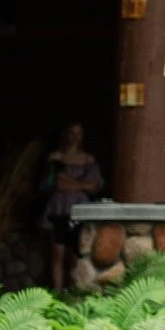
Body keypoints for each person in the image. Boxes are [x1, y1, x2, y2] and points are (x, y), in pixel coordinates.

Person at [40, 122, 103, 291]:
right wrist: (82, 184)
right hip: (60, 209)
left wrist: (72, 184)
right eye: (71, 132)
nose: (74, 137)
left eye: (78, 133)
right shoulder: (55, 158)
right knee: (58, 255)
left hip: (80, 209)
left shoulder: (88, 160)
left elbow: (94, 186)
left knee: (77, 253)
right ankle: (58, 292)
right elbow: (56, 183)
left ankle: (75, 292)